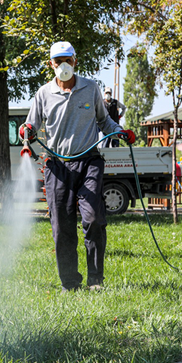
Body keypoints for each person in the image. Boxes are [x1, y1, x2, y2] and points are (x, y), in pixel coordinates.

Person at [19, 41, 135, 292]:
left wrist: (120, 132)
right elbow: (30, 126)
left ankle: (95, 281)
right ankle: (69, 283)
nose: (63, 65)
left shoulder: (90, 88)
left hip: (89, 162)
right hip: (57, 166)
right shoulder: (43, 93)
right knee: (62, 227)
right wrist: (26, 131)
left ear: (75, 61)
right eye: (58, 61)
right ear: (51, 64)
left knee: (93, 219)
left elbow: (105, 122)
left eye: (67, 60)